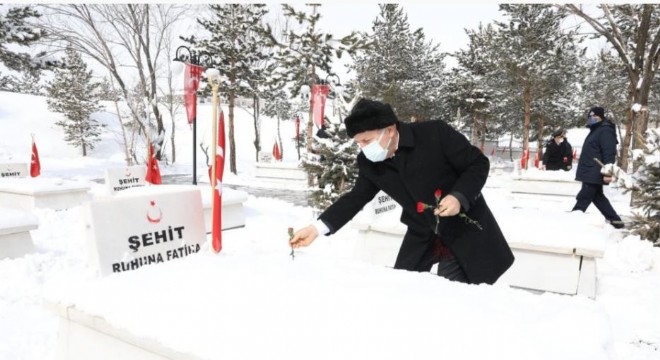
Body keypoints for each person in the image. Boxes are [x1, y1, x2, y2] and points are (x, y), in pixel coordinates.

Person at [289, 99, 514, 285]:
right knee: (403, 287)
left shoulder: (434, 134)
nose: (364, 148)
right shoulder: (369, 162)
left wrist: (458, 196)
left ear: (389, 129)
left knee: (452, 295)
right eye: (358, 143)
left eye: (367, 140)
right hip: (422, 232)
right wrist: (316, 228)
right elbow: (356, 197)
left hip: (464, 229)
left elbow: (477, 164)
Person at [572, 106, 624, 229]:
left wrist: (608, 172)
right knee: (597, 197)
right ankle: (616, 222)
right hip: (591, 170)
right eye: (590, 116)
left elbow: (609, 152)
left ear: (601, 117)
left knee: (584, 197)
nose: (592, 118)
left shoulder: (605, 130)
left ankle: (572, 220)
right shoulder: (596, 130)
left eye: (595, 116)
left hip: (595, 171)